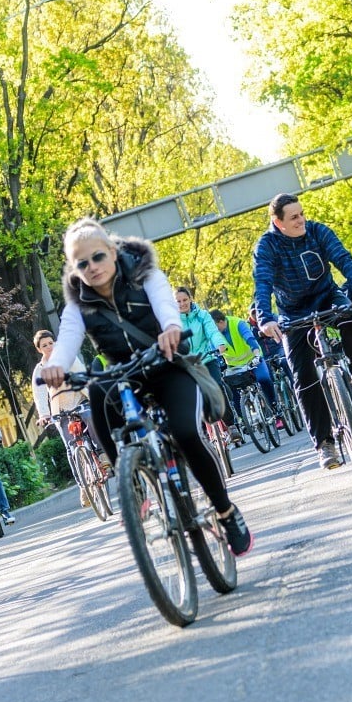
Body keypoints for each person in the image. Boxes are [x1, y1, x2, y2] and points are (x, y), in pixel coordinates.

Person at [40, 217, 253, 556]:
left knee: (186, 434)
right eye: (82, 263)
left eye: (97, 257)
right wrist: (54, 367)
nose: (92, 267)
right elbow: (67, 339)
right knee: (97, 390)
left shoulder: (144, 274)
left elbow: (165, 304)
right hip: (124, 374)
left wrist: (170, 327)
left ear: (112, 251)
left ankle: (227, 512)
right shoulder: (78, 303)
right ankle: (133, 487)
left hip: (165, 362)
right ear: (75, 269)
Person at [252, 193, 352, 470]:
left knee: (349, 316)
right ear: (278, 222)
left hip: (326, 296)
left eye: (302, 213)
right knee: (303, 377)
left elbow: (344, 260)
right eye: (294, 217)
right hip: (292, 312)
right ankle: (325, 444)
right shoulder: (267, 245)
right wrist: (265, 319)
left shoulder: (318, 232)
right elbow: (262, 283)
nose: (301, 220)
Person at [32, 329, 110, 508]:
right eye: (44, 345)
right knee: (70, 446)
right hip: (60, 408)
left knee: (90, 418)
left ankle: (101, 453)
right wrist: (44, 414)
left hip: (80, 399)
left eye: (51, 343)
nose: (49, 347)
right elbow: (39, 394)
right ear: (39, 349)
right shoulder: (40, 370)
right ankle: (83, 486)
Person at [174, 287, 241, 440]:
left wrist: (219, 344)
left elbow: (212, 332)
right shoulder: (172, 320)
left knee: (217, 387)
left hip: (207, 359)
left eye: (185, 300)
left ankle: (231, 425)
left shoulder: (202, 315)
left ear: (190, 299)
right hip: (186, 364)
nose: (182, 304)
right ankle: (201, 434)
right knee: (190, 397)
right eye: (178, 301)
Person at [209, 309, 278, 420]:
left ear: (221, 322)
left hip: (253, 359)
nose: (213, 330)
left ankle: (275, 406)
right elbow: (214, 352)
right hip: (235, 366)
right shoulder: (214, 334)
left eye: (215, 326)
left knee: (264, 378)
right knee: (232, 390)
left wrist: (256, 354)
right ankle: (242, 420)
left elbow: (250, 339)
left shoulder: (238, 323)